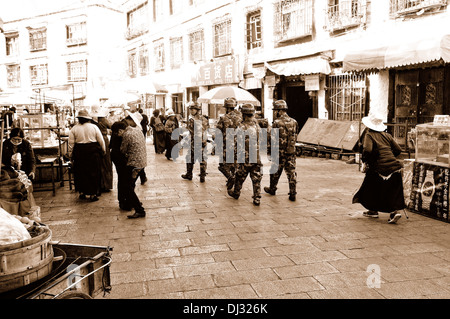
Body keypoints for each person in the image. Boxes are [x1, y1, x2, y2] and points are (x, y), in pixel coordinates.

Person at [353, 113, 405, 224]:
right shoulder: (387, 135)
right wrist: (390, 157)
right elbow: (398, 149)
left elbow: (368, 150)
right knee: (392, 190)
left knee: (370, 187)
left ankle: (375, 210)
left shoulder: (369, 135)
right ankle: (389, 211)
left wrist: (366, 161)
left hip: (379, 168)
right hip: (395, 167)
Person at [227, 104, 263, 206]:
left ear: (244, 115)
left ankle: (236, 193)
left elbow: (236, 143)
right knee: (256, 178)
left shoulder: (241, 127)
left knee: (240, 176)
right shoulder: (257, 126)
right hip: (255, 157)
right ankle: (257, 198)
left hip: (244, 158)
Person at [264, 100, 299, 201]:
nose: (275, 112)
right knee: (291, 172)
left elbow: (272, 138)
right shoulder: (294, 121)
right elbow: (295, 135)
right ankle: (293, 193)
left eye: (276, 111)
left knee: (274, 171)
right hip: (291, 151)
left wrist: (270, 152)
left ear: (279, 111)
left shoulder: (277, 123)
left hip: (279, 152)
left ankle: (272, 188)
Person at [68, 109, 106, 202]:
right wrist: (103, 150)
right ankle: (93, 194)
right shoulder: (94, 127)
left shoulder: (74, 129)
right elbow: (100, 140)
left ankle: (82, 192)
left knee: (81, 173)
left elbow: (71, 144)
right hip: (93, 152)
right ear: (88, 118)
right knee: (93, 173)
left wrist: (70, 155)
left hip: (79, 152)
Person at [119, 111, 147, 219]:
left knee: (127, 187)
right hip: (141, 163)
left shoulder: (127, 134)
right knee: (130, 185)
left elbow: (123, 149)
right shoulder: (138, 131)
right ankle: (137, 205)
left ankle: (139, 209)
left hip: (134, 163)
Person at [216, 97, 242, 190]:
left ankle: (231, 178)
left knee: (222, 166)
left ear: (226, 107)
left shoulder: (224, 118)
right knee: (235, 165)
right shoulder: (241, 117)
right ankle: (232, 179)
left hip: (227, 145)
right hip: (239, 145)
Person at [181, 102, 209, 183]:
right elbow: (206, 129)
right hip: (203, 141)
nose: (191, 111)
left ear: (197, 110)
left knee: (189, 158)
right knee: (202, 159)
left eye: (192, 109)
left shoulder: (192, 120)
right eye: (191, 109)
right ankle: (202, 176)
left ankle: (189, 174)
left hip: (195, 142)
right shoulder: (204, 119)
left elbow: (191, 131)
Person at [91, 106, 113, 192]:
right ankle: (106, 184)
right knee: (106, 162)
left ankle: (100, 184)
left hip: (95, 141)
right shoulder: (104, 120)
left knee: (98, 163)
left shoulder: (92, 122)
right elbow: (111, 126)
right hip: (104, 140)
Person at [110, 121, 130, 211]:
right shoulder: (120, 135)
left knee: (122, 179)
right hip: (120, 158)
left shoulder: (115, 134)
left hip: (115, 156)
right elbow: (124, 149)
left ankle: (124, 200)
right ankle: (124, 201)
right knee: (123, 179)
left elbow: (110, 145)